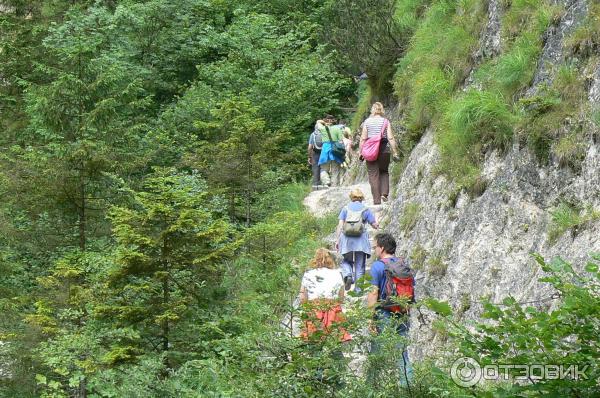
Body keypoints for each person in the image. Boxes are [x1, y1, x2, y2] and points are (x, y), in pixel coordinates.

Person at [367, 233, 414, 387]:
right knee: (402, 352)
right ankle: (407, 386)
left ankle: (371, 387)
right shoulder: (403, 265)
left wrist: (370, 318)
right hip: (402, 312)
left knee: (377, 352)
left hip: (384, 312)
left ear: (382, 248)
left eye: (375, 247)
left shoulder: (378, 266)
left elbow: (373, 292)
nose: (374, 250)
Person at [299, 248, 351, 342]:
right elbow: (341, 298)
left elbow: (302, 297)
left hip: (314, 310)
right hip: (332, 310)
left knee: (313, 344)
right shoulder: (337, 274)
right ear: (330, 259)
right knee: (334, 344)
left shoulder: (308, 274)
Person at [335, 188, 378, 292]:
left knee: (346, 260)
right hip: (360, 241)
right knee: (360, 265)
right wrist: (377, 221)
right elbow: (374, 225)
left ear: (351, 197)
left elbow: (340, 225)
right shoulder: (365, 209)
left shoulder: (345, 208)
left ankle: (348, 274)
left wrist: (337, 240)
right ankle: (358, 291)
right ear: (361, 197)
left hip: (347, 239)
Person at [359, 102, 399, 205]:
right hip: (384, 150)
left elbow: (363, 138)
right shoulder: (385, 121)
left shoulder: (367, 122)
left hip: (371, 151)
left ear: (373, 110)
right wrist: (394, 151)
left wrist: (361, 152)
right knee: (384, 171)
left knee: (373, 175)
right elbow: (390, 137)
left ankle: (376, 201)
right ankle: (384, 194)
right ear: (381, 110)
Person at [317, 115, 345, 187]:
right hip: (335, 150)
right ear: (333, 121)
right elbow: (341, 141)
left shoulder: (322, 128)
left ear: (326, 120)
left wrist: (325, 122)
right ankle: (335, 186)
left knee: (323, 169)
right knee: (335, 170)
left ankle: (326, 181)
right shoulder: (337, 129)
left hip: (325, 150)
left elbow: (318, 122)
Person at [308, 121, 323, 190]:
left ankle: (315, 185)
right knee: (323, 168)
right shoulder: (324, 133)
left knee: (316, 168)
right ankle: (324, 184)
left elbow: (309, 147)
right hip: (324, 153)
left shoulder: (313, 134)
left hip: (315, 153)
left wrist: (309, 156)